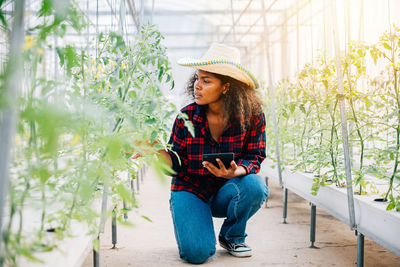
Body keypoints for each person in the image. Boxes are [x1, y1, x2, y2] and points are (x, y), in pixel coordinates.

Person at [138, 43, 269, 264]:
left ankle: (232, 236)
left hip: (227, 191)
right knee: (197, 254)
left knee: (255, 186)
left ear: (227, 87)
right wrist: (154, 149)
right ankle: (190, 216)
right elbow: (175, 165)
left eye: (206, 81)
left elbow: (255, 156)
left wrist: (234, 172)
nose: (197, 86)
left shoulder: (252, 116)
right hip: (191, 189)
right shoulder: (186, 117)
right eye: (197, 79)